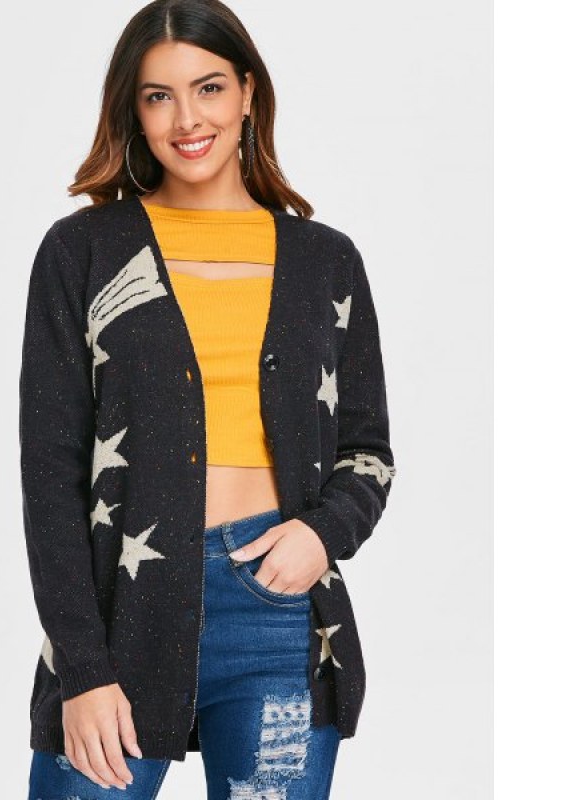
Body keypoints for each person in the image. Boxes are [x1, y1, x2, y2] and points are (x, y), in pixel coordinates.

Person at [20, 1, 396, 798]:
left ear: (248, 93)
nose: (187, 119)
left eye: (210, 88)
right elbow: (50, 475)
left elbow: (368, 451)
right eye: (159, 96)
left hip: (275, 608)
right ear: (134, 111)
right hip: (121, 608)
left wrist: (322, 535)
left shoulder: (326, 262)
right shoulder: (82, 251)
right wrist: (81, 667)